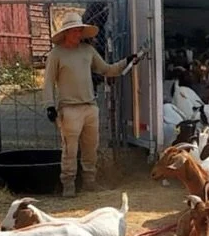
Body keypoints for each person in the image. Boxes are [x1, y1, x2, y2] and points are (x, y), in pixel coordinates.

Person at [44, 12, 146, 197]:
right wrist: (50, 106)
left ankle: (90, 182)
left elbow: (106, 69)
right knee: (70, 150)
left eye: (79, 30)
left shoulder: (87, 51)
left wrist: (126, 62)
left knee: (91, 147)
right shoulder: (56, 54)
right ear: (66, 33)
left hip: (89, 106)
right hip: (69, 108)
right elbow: (49, 82)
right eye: (74, 30)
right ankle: (68, 185)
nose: (78, 33)